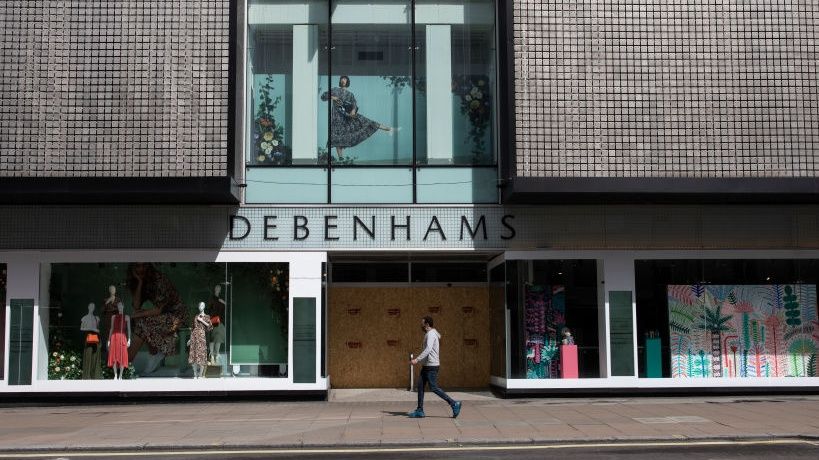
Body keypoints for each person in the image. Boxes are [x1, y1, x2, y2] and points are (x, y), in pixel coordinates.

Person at [126, 263, 189, 375]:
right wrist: (140, 283)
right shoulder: (143, 281)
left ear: (149, 266)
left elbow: (159, 310)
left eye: (143, 266)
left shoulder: (159, 279)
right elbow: (136, 306)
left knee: (141, 321)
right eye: (137, 266)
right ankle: (151, 355)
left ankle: (127, 363)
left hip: (177, 316)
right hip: (163, 315)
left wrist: (139, 314)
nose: (140, 269)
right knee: (138, 320)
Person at [320, 75, 396, 159]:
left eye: (345, 79)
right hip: (336, 118)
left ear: (347, 82)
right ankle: (341, 159)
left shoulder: (350, 94)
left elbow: (354, 104)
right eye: (342, 79)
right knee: (337, 138)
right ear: (340, 81)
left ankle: (388, 129)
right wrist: (332, 97)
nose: (343, 81)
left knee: (366, 122)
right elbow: (323, 96)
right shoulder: (334, 90)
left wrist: (353, 110)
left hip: (348, 118)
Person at [408, 316, 461, 419]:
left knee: (434, 388)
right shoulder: (430, 334)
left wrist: (417, 360)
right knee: (420, 387)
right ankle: (420, 410)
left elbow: (428, 349)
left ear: (427, 324)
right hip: (427, 366)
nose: (421, 326)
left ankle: (454, 403)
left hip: (431, 366)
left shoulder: (431, 334)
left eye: (422, 324)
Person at [188, 302, 212, 379]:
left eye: (202, 305)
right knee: (194, 355)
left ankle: (201, 374)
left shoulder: (207, 317)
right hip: (194, 337)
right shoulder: (195, 316)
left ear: (204, 307)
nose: (200, 307)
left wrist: (201, 320)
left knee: (201, 355)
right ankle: (195, 374)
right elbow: (192, 328)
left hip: (201, 337)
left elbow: (210, 327)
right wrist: (190, 339)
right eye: (199, 306)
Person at [107, 302, 131, 380]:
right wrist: (109, 339)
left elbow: (129, 329)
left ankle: (121, 375)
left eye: (121, 306)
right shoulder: (113, 317)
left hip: (122, 336)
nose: (120, 307)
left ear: (123, 307)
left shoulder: (127, 317)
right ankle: (115, 375)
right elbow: (111, 328)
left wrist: (129, 340)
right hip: (114, 337)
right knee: (114, 355)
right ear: (117, 307)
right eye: (118, 306)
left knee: (122, 355)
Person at [79, 302, 102, 379]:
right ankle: (87, 376)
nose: (92, 308)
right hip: (88, 338)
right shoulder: (84, 318)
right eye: (91, 306)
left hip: (95, 339)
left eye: (93, 307)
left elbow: (98, 329)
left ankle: (94, 375)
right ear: (88, 307)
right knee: (88, 356)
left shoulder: (96, 318)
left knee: (95, 357)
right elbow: (81, 328)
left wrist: (96, 330)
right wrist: (92, 329)